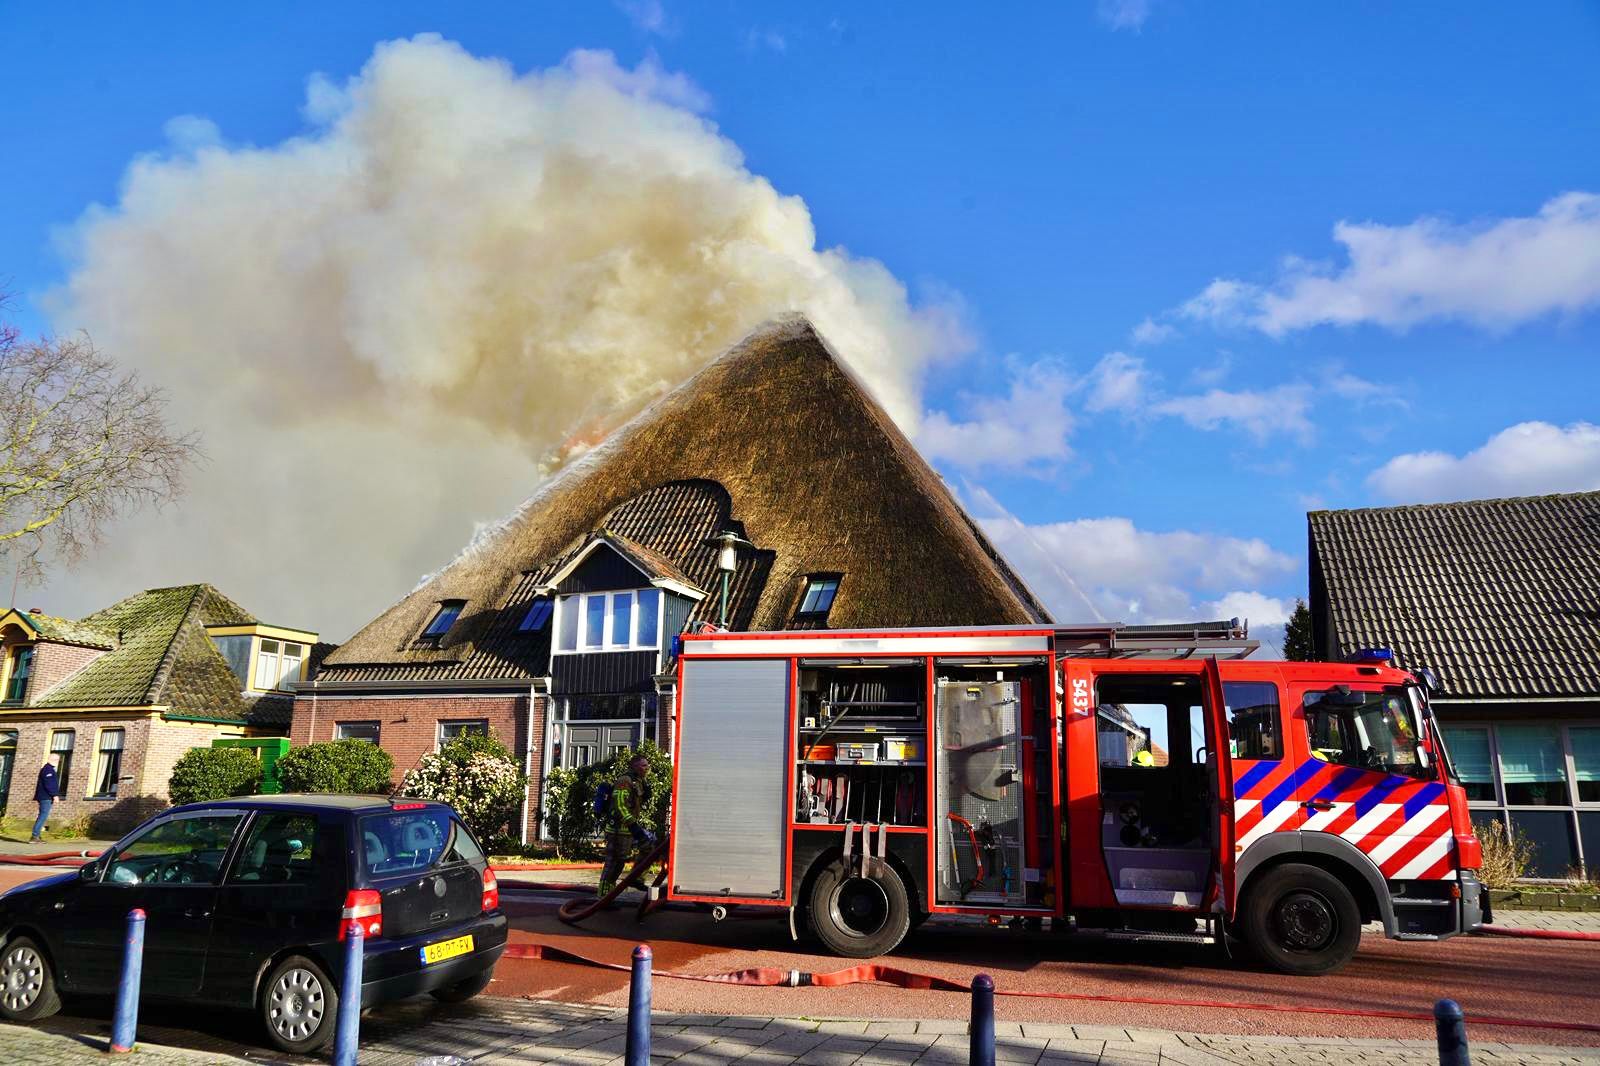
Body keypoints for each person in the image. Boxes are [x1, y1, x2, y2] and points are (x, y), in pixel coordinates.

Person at [597, 754, 655, 898]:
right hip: (618, 829)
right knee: (615, 863)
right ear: (635, 766)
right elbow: (619, 805)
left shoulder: (639, 781)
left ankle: (636, 878)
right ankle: (603, 897)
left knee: (649, 846)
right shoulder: (625, 781)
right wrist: (633, 826)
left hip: (628, 829)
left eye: (647, 765)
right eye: (643, 765)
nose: (647, 768)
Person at [31, 757, 60, 843]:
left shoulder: (48, 769)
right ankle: (35, 836)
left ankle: (36, 836)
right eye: (57, 760)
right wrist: (54, 795)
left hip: (45, 796)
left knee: (42, 815)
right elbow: (49, 784)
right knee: (43, 816)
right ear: (52, 760)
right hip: (45, 797)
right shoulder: (48, 770)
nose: (57, 761)